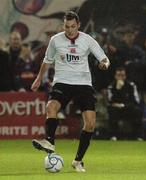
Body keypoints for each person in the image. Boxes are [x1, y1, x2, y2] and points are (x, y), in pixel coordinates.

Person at [31, 11, 110, 172]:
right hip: (62, 82)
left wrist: (104, 64)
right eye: (67, 27)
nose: (70, 30)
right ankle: (49, 141)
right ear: (63, 25)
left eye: (73, 27)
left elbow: (104, 58)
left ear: (78, 25)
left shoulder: (87, 40)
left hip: (83, 84)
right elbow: (47, 60)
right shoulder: (55, 40)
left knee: (90, 123)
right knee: (51, 107)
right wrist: (39, 78)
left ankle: (78, 161)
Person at [107, 67, 143, 141]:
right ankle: (114, 136)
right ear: (115, 76)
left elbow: (136, 100)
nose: (120, 77)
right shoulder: (111, 86)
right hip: (116, 109)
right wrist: (118, 89)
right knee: (111, 110)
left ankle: (137, 136)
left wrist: (124, 105)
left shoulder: (131, 85)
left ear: (125, 76)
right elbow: (110, 101)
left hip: (128, 108)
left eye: (122, 75)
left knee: (137, 111)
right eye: (118, 75)